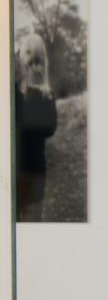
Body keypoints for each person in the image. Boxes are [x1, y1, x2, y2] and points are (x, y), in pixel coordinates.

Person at [14, 33, 57, 222]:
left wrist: (37, 93)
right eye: (29, 60)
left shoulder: (45, 93)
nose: (33, 67)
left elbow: (49, 128)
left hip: (34, 172)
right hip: (11, 171)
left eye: (37, 61)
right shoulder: (13, 90)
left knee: (31, 224)